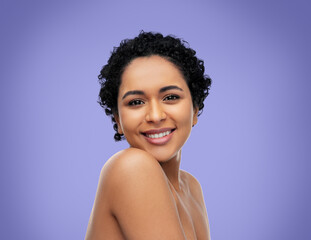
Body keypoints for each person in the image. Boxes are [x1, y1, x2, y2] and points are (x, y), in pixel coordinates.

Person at [85, 31, 212, 240]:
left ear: (195, 110)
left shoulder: (192, 188)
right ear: (118, 119)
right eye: (136, 102)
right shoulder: (132, 167)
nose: (155, 116)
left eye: (170, 97)